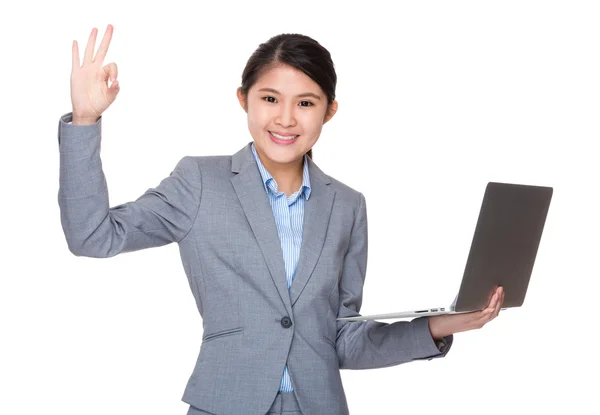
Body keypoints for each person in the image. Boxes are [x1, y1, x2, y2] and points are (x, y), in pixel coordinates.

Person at [58, 24, 505, 415]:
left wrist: (441, 325)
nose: (286, 119)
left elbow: (345, 340)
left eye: (306, 103)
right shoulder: (199, 181)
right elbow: (93, 236)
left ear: (329, 110)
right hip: (224, 403)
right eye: (270, 98)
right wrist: (85, 119)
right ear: (243, 100)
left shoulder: (347, 205)